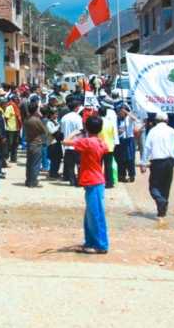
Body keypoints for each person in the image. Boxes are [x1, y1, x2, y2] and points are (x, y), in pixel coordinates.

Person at [63, 116, 109, 254]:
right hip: (96, 179)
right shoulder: (101, 142)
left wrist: (77, 132)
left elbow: (65, 141)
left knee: (95, 214)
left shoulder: (88, 142)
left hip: (92, 180)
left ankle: (100, 245)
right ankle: (91, 242)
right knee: (91, 214)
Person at [141, 112, 174, 219]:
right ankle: (162, 212)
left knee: (153, 187)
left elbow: (147, 148)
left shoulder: (152, 131)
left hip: (157, 162)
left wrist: (143, 163)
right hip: (169, 161)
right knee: (166, 186)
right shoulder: (172, 131)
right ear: (167, 120)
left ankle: (161, 202)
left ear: (155, 121)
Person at [23, 102, 48, 188]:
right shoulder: (37, 120)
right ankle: (33, 181)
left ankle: (28, 180)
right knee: (36, 164)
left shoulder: (26, 119)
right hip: (37, 143)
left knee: (29, 163)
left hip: (29, 142)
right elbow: (44, 131)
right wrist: (40, 116)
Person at [61, 100, 83, 186]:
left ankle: (72, 181)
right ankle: (79, 180)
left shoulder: (64, 118)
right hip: (76, 145)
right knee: (79, 164)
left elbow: (62, 131)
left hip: (67, 145)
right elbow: (80, 130)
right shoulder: (78, 118)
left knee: (70, 165)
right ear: (76, 107)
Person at [115, 103, 137, 183]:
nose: (120, 113)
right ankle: (122, 175)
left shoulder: (129, 118)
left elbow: (135, 118)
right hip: (121, 140)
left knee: (130, 159)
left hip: (129, 140)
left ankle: (131, 175)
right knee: (121, 159)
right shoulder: (117, 119)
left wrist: (127, 112)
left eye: (121, 111)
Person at [98, 104, 118, 189]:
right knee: (108, 165)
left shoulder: (98, 122)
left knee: (99, 165)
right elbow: (114, 134)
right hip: (109, 146)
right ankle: (110, 182)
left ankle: (99, 181)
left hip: (99, 146)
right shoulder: (110, 122)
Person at [4, 94, 22, 163]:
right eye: (16, 99)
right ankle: (6, 157)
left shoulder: (16, 107)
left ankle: (13, 158)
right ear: (13, 100)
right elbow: (6, 117)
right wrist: (7, 126)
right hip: (10, 129)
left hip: (16, 128)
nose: (18, 100)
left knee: (15, 144)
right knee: (9, 144)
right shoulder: (10, 107)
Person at [46, 108, 63, 180]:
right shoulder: (49, 123)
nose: (56, 115)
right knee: (54, 159)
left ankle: (55, 172)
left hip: (58, 142)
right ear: (51, 115)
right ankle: (53, 173)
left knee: (58, 159)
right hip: (52, 143)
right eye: (55, 114)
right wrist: (58, 126)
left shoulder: (56, 121)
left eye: (57, 113)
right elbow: (51, 131)